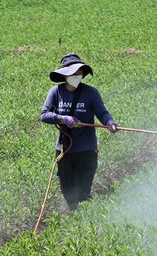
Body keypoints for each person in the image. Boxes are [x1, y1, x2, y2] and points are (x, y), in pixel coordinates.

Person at [40, 53, 118, 211]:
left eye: (79, 73)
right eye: (73, 73)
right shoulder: (56, 92)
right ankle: (73, 212)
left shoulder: (91, 93)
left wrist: (110, 122)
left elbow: (102, 113)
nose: (77, 76)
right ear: (65, 75)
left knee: (83, 187)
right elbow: (44, 115)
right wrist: (63, 119)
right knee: (67, 186)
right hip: (65, 148)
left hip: (87, 148)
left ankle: (83, 215)